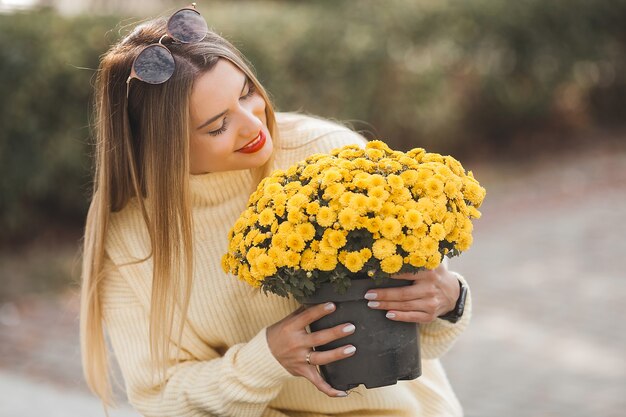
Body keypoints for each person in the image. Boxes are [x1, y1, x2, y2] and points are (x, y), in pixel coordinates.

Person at [80, 4, 472, 417]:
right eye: (217, 126)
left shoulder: (327, 152)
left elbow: (423, 343)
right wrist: (267, 358)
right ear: (163, 146)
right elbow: (159, 398)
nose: (254, 125)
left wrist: (450, 300)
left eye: (247, 93)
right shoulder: (130, 238)